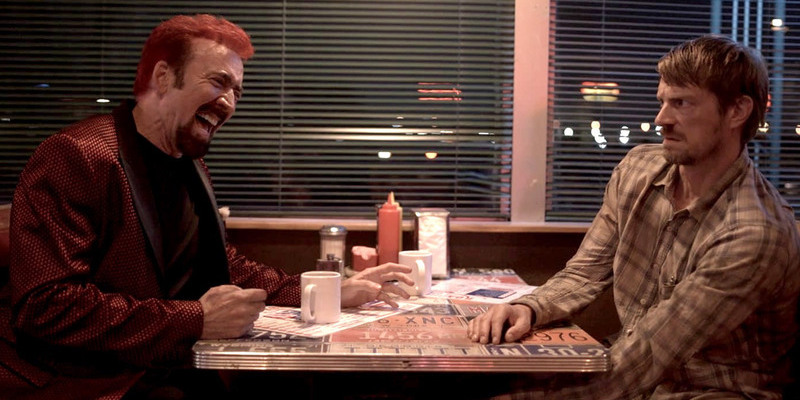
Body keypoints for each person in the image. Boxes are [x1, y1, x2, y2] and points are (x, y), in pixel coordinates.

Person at [0, 14, 414, 400]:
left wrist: (326, 291)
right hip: (94, 382)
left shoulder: (190, 163)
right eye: (219, 82)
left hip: (177, 367)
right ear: (164, 77)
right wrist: (195, 319)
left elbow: (222, 265)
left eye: (237, 91)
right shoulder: (77, 155)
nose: (230, 103)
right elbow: (45, 306)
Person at [468, 34, 800, 399]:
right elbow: (585, 273)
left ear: (737, 111)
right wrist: (529, 308)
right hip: (631, 367)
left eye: (682, 103)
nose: (662, 119)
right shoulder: (638, 169)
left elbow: (649, 354)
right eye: (662, 101)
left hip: (711, 389)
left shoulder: (753, 230)